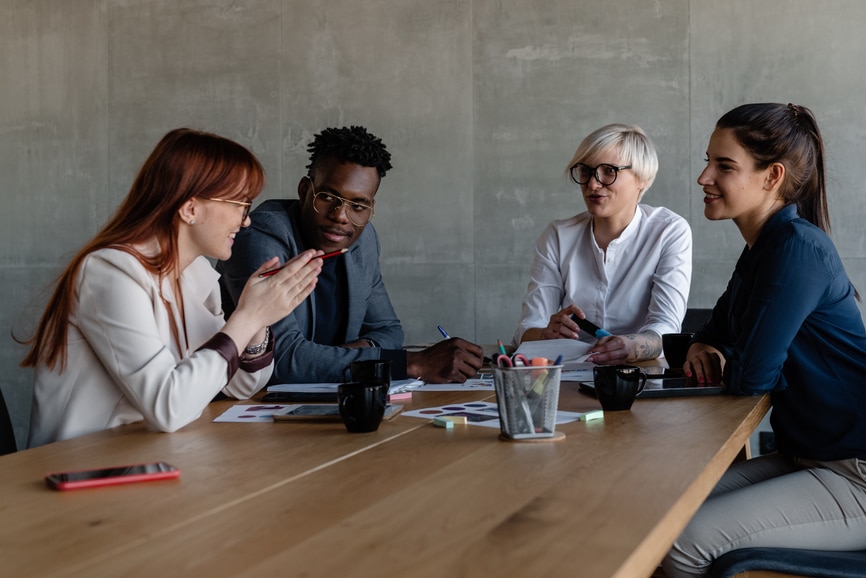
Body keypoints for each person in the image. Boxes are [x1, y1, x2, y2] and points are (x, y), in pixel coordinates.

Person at [662, 103, 866, 577]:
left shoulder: (796, 248)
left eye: (724, 166)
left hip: (854, 471)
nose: (704, 177)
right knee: (653, 510)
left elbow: (752, 375)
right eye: (707, 160)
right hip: (808, 457)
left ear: (771, 176)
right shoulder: (764, 247)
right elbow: (714, 335)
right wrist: (700, 347)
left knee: (678, 545)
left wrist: (728, 351)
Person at [21, 128, 323, 447]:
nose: (246, 221)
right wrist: (247, 317)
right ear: (190, 209)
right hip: (82, 468)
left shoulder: (195, 273)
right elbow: (168, 406)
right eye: (240, 205)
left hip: (150, 456)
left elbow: (238, 385)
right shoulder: (109, 272)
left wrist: (258, 322)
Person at [218, 126, 483, 384]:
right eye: (327, 197)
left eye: (358, 205)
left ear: (370, 207)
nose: (341, 216)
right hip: (245, 410)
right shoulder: (260, 237)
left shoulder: (363, 240)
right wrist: (411, 364)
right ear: (303, 190)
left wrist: (338, 358)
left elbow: (389, 331)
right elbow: (283, 359)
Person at [513, 123, 692, 364]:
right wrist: (546, 333)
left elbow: (666, 329)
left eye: (608, 171)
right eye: (586, 171)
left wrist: (628, 346)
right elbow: (527, 329)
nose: (592, 184)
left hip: (639, 373)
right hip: (568, 372)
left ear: (642, 179)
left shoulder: (669, 231)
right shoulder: (558, 235)